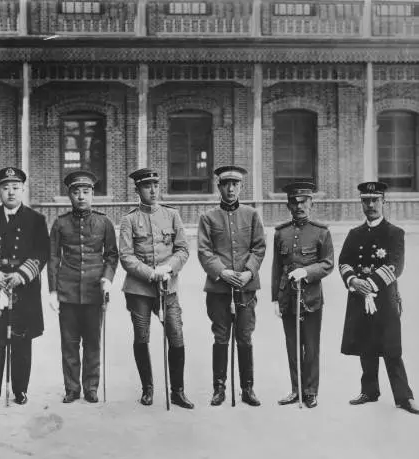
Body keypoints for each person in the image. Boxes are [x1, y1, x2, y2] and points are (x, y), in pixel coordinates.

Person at [0, 167, 50, 408]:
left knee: (22, 341)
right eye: (5, 188)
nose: (11, 192)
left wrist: (22, 274)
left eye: (15, 187)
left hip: (23, 288)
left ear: (23, 189)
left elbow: (42, 251)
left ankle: (21, 390)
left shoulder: (36, 220)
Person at [339, 181, 419, 414]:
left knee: (391, 348)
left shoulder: (395, 233)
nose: (371, 204)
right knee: (366, 345)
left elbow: (396, 265)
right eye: (366, 200)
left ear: (384, 202)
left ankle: (404, 397)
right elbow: (344, 261)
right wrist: (354, 281)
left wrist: (369, 284)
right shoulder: (355, 234)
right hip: (359, 296)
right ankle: (369, 391)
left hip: (384, 298)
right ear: (361, 203)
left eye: (375, 200)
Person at [119, 167, 194, 409]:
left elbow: (183, 249)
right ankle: (148, 389)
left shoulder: (172, 215)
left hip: (168, 289)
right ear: (137, 190)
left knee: (176, 336)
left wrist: (168, 269)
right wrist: (151, 273)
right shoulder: (129, 220)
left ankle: (178, 392)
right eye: (146, 186)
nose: (152, 190)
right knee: (142, 337)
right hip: (139, 290)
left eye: (155, 185)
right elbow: (126, 257)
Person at [48, 170, 119, 404]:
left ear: (93, 195)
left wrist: (108, 279)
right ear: (69, 194)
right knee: (68, 343)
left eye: (86, 192)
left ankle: (91, 387)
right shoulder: (60, 224)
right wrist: (53, 291)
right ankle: (71, 388)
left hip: (94, 291)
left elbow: (111, 255)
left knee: (92, 342)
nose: (81, 196)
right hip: (68, 292)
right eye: (76, 192)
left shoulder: (104, 222)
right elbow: (53, 258)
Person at [197, 165, 266, 407]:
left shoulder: (252, 215)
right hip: (219, 289)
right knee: (221, 337)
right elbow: (204, 251)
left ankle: (247, 388)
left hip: (246, 288)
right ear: (219, 188)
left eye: (235, 184)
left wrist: (248, 272)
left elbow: (259, 247)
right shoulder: (208, 218)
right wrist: (222, 272)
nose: (231, 189)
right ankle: (219, 388)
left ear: (240, 187)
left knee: (245, 337)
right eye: (226, 184)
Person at [271, 182, 334, 408]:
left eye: (303, 202)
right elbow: (276, 268)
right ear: (288, 205)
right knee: (292, 346)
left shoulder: (321, 232)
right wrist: (275, 299)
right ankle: (295, 389)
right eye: (294, 202)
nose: (299, 206)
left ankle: (310, 391)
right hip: (288, 298)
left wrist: (306, 271)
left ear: (311, 204)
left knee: (311, 346)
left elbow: (328, 264)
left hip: (311, 299)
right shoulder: (281, 233)